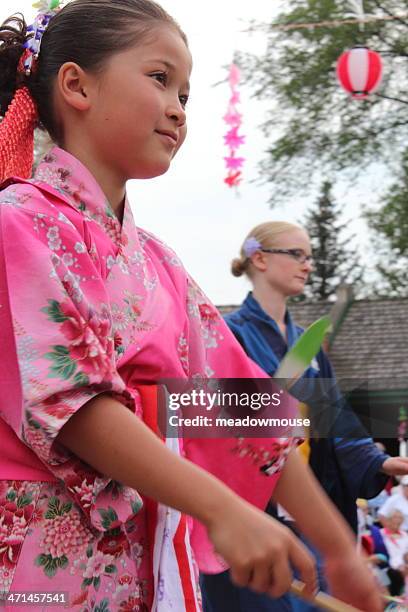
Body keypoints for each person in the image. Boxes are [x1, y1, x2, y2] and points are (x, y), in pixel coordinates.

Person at [0, 3, 382, 611]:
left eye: (187, 93)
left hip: (136, 563)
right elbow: (74, 403)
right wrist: (220, 506)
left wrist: (338, 549)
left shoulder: (160, 265)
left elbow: (241, 403)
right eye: (160, 79)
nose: (179, 108)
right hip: (39, 567)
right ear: (76, 84)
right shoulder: (15, 226)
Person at [201, 220, 408, 612]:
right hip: (252, 518)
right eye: (296, 254)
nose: (307, 265)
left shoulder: (309, 346)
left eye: (311, 257)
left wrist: (378, 460)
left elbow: (337, 422)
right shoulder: (226, 336)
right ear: (259, 259)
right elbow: (210, 425)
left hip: (308, 515)